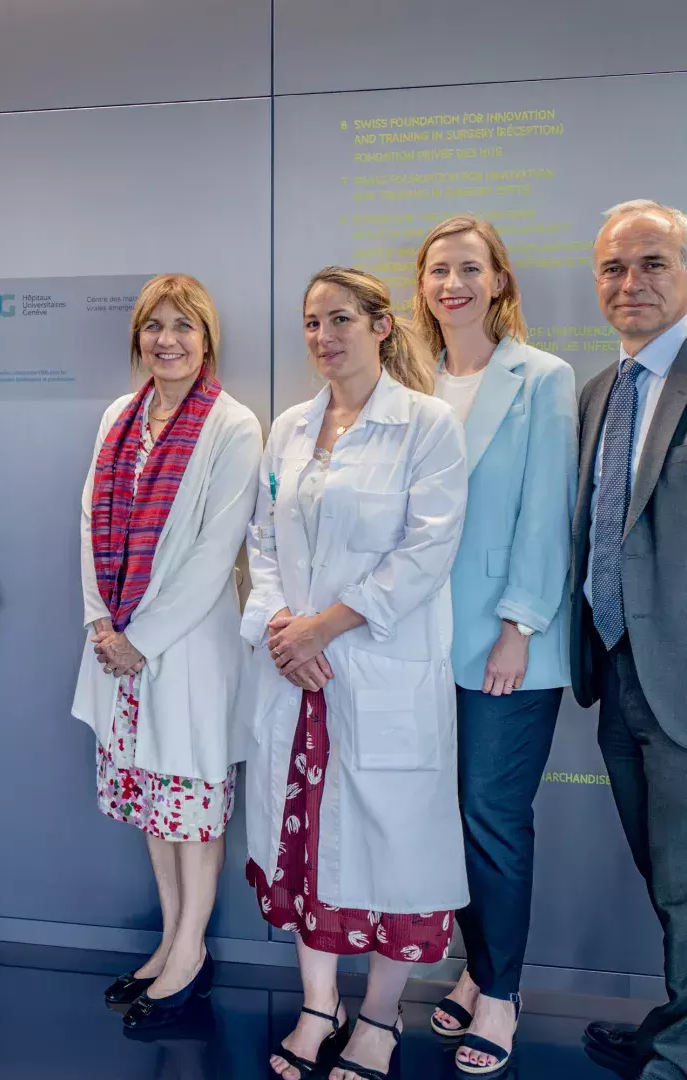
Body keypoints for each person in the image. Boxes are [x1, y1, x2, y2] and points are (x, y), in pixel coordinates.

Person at [243, 267, 468, 1080]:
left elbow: (427, 552)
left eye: (340, 319)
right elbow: (262, 542)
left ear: (381, 325)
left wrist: (323, 628)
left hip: (375, 669)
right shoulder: (290, 427)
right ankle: (317, 1005)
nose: (323, 336)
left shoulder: (427, 424)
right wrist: (283, 628)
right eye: (312, 322)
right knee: (305, 846)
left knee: (391, 851)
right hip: (298, 678)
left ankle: (378, 1017)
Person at [73, 273, 261, 1032]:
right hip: (117, 647)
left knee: (192, 804)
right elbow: (89, 521)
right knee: (153, 800)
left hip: (186, 650)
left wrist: (140, 642)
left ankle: (189, 952)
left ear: (206, 339)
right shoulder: (119, 417)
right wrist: (101, 625)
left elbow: (216, 554)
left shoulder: (233, 425)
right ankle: (170, 941)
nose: (168, 340)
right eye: (154, 326)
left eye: (184, 326)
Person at [413, 217, 577, 1075]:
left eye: (470, 269)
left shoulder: (541, 377)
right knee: (446, 817)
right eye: (439, 270)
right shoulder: (411, 381)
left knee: (492, 818)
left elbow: (547, 513)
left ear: (500, 280)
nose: (454, 284)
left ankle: (503, 995)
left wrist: (519, 627)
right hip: (417, 642)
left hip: (506, 643)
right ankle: (477, 968)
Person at [572, 200, 687, 1080]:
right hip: (617, 671)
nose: (631, 283)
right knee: (664, 871)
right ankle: (676, 1023)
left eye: (653, 263)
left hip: (681, 672)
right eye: (614, 267)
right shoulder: (599, 393)